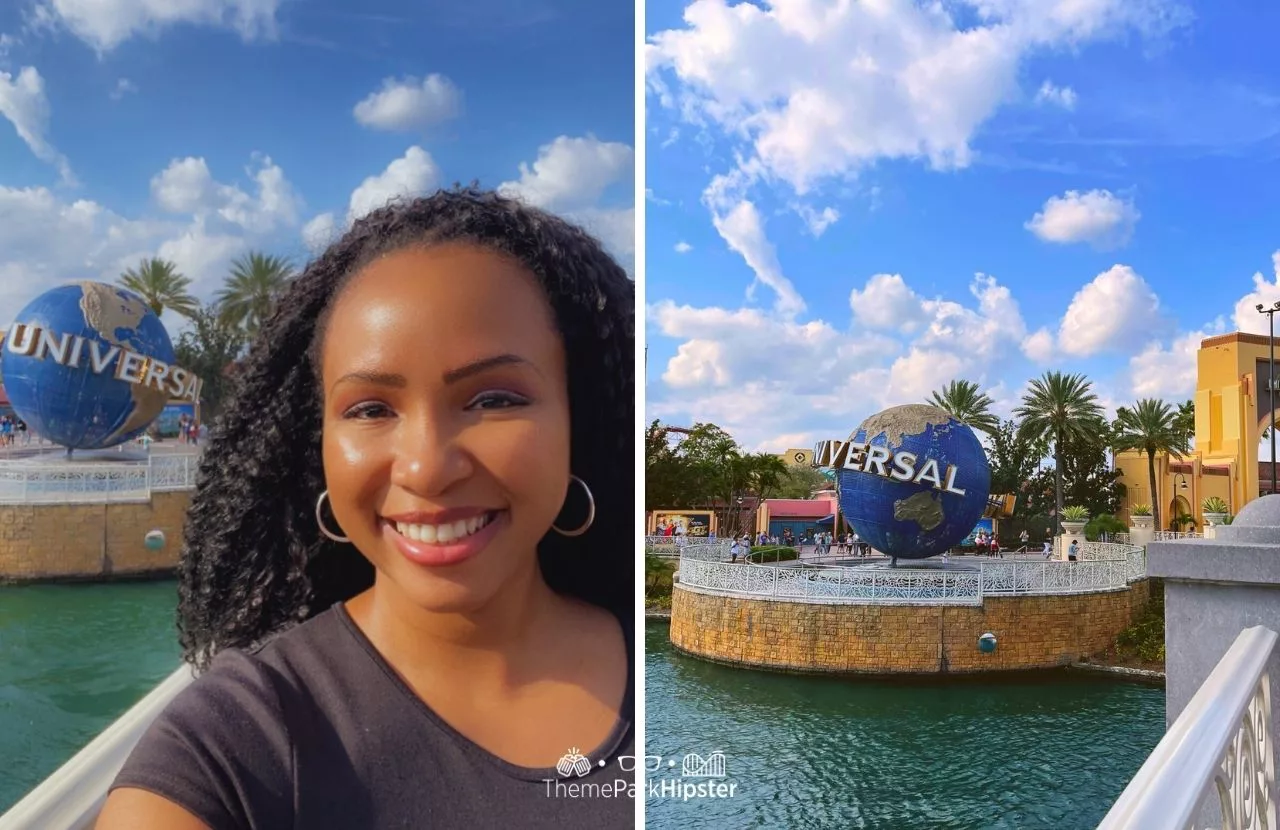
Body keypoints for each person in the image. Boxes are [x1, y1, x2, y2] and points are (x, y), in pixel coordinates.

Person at [98, 189, 635, 828]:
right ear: (319, 444)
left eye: (493, 399)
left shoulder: (664, 661)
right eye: (371, 409)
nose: (427, 467)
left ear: (579, 420)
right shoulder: (236, 744)